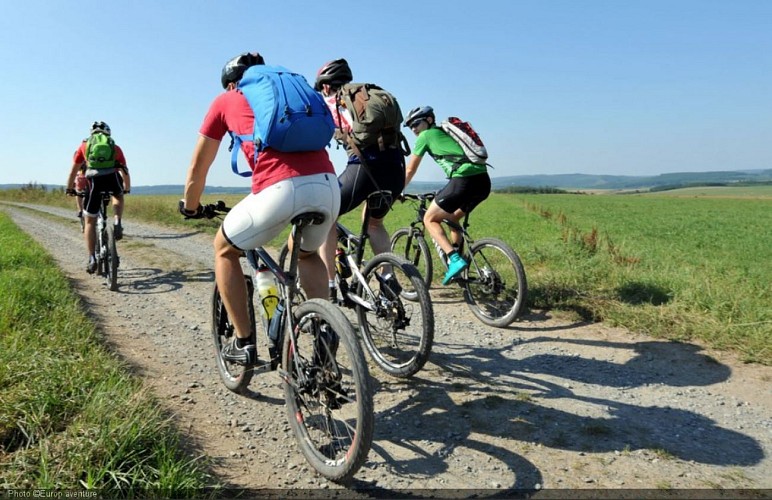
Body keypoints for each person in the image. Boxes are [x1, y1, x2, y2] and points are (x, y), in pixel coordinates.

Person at [180, 52, 341, 365]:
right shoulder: (291, 92)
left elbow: (198, 167)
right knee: (306, 253)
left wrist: (190, 206)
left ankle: (243, 343)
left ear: (231, 83)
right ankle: (326, 326)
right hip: (328, 185)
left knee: (224, 249)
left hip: (279, 189)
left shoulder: (226, 100)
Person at [313, 58, 405, 300]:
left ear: (325, 86)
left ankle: (329, 284)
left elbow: (317, 138)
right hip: (396, 167)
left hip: (365, 168)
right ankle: (387, 278)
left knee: (328, 217)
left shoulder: (334, 101)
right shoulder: (368, 96)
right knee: (375, 223)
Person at [403, 106, 491, 285]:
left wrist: (397, 190)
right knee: (451, 218)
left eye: (416, 124)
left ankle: (454, 259)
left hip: (463, 180)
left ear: (428, 120)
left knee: (429, 219)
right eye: (410, 126)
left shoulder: (425, 136)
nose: (414, 129)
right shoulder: (445, 132)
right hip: (483, 182)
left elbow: (410, 169)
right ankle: (458, 261)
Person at [66, 121, 131, 273]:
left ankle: (91, 258)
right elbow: (125, 170)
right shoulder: (115, 147)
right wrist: (126, 188)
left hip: (94, 183)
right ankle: (117, 220)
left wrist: (69, 188)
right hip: (113, 179)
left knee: (89, 221)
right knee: (118, 195)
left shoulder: (84, 147)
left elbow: (73, 171)